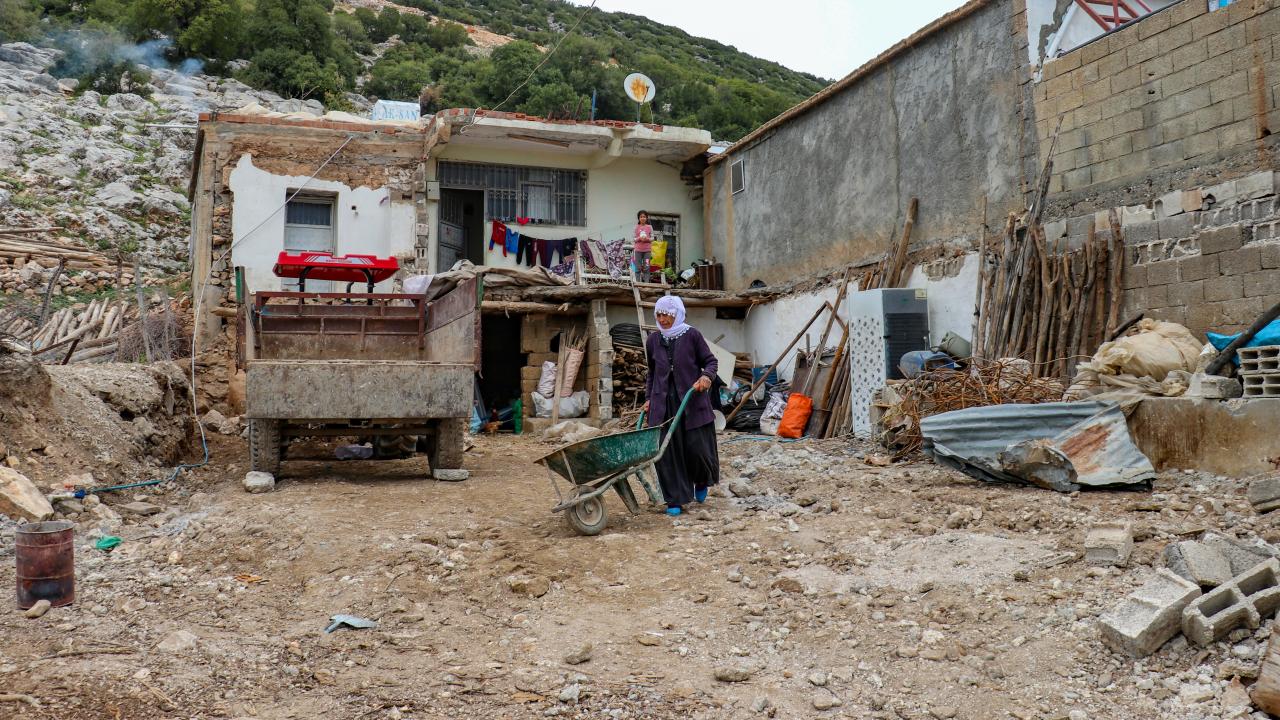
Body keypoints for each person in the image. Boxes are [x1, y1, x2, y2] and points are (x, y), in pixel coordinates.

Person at [643, 295, 720, 516]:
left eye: (666, 314)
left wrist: (707, 376)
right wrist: (649, 398)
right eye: (658, 314)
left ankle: (701, 480)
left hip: (691, 400)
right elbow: (652, 373)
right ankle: (674, 498)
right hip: (664, 405)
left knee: (697, 448)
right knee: (668, 452)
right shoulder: (653, 341)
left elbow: (711, 361)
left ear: (676, 314)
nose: (662, 319)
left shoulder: (692, 335)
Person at [633, 210, 654, 283]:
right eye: (641, 217)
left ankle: (646, 284)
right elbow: (634, 238)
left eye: (644, 217)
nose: (643, 218)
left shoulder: (649, 227)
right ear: (639, 218)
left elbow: (652, 238)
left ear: (646, 218)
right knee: (637, 268)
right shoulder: (636, 227)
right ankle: (637, 284)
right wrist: (639, 238)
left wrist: (646, 239)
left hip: (647, 251)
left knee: (647, 267)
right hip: (638, 251)